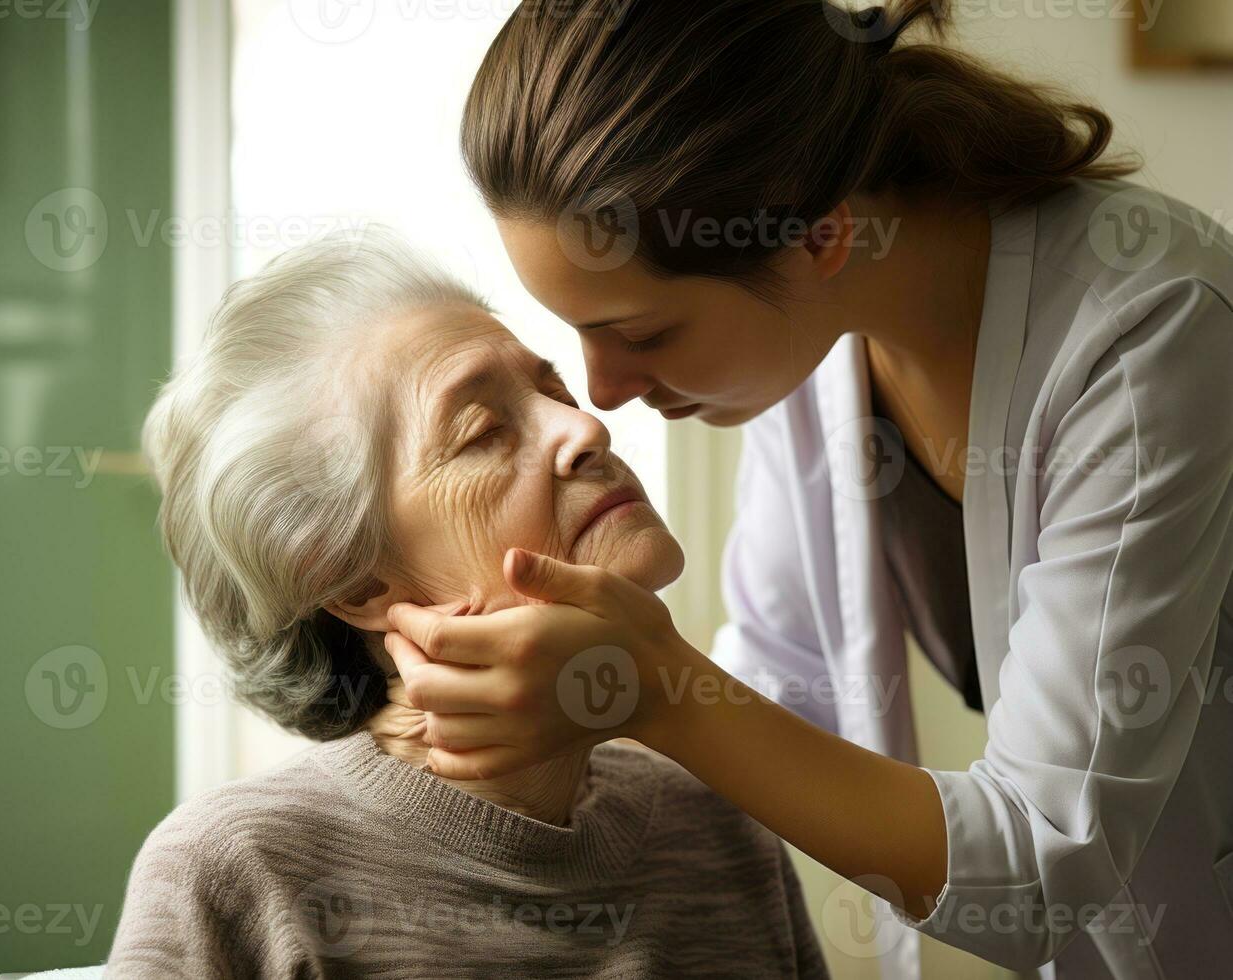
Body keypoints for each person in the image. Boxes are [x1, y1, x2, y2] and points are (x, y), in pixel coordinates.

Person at [382, 1, 1233, 977]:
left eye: (644, 333)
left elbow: (1040, 864)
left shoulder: (1143, 333)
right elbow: (785, 686)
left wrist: (650, 682)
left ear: (821, 237)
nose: (600, 392)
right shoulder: (807, 339)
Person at [104, 230, 830, 979]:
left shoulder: (718, 829)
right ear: (356, 584)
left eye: (551, 389)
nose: (585, 427)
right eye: (483, 431)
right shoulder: (240, 875)